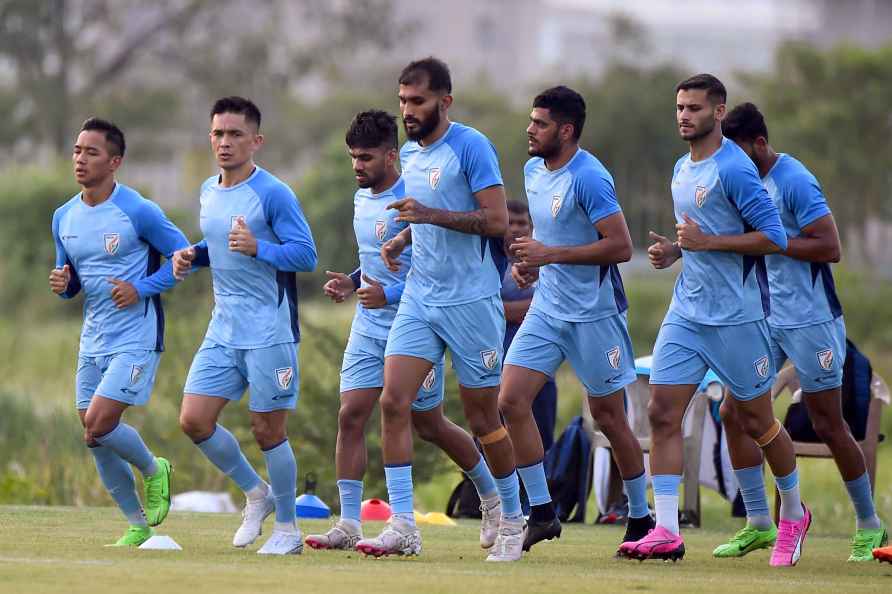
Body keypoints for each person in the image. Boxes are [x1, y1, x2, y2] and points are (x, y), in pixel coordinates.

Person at [619, 74, 808, 567]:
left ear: (718, 112)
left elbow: (774, 238)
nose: (684, 115)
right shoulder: (682, 168)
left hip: (737, 319)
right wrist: (677, 251)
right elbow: (706, 233)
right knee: (662, 413)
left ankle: (792, 515)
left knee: (759, 422)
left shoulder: (736, 168)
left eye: (695, 108)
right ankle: (664, 530)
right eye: (680, 107)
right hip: (686, 312)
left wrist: (707, 243)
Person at [305, 110, 499, 551]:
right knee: (351, 414)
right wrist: (353, 282)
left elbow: (429, 264)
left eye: (366, 157)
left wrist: (388, 297)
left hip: (415, 321)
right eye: (353, 157)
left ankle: (489, 496)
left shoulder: (415, 196)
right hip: (368, 326)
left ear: (392, 156)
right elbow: (377, 259)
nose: (357, 165)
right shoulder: (360, 198)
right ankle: (350, 523)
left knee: (429, 425)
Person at [354, 57, 518, 559]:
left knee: (483, 418)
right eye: (403, 100)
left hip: (471, 301)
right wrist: (405, 236)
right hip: (421, 298)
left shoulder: (472, 146)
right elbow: (429, 217)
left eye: (418, 101)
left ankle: (511, 515)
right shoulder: (409, 152)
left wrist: (427, 215)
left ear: (444, 102)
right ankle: (404, 525)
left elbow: (495, 222)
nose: (407, 110)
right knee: (393, 401)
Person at [715, 102, 886, 562]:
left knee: (829, 423)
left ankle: (870, 525)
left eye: (739, 154)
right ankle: (758, 523)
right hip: (765, 318)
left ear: (760, 144)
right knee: (732, 410)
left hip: (812, 321)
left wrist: (775, 240)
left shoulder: (793, 180)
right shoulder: (740, 181)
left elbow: (831, 247)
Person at [494, 86, 651, 561]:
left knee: (608, 418)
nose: (530, 129)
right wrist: (533, 264)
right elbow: (548, 234)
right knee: (511, 399)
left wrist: (551, 254)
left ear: (565, 130)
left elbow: (621, 246)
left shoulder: (590, 177)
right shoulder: (532, 171)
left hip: (595, 315)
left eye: (539, 123)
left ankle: (641, 517)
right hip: (547, 307)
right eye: (531, 121)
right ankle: (542, 511)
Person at [172, 97, 317, 555]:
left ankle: (289, 530)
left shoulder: (273, 193)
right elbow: (220, 244)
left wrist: (261, 248)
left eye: (235, 134)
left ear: (256, 141)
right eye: (218, 133)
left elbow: (306, 255)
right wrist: (192, 256)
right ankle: (257, 494)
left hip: (270, 329)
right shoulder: (207, 191)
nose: (225, 142)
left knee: (267, 430)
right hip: (223, 327)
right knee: (194, 420)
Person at [51, 117, 188, 546]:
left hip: (137, 335)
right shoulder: (63, 216)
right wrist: (64, 285)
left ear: (115, 162)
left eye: (91, 152)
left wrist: (142, 288)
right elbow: (72, 278)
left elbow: (186, 255)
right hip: (92, 337)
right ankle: (136, 524)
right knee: (92, 436)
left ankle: (154, 469)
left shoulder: (138, 210)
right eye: (77, 150)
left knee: (100, 421)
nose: (80, 159)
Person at [501, 199, 557, 454]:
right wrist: (537, 306)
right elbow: (489, 309)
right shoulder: (491, 259)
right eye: (509, 222)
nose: (515, 228)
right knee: (498, 434)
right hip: (498, 357)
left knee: (542, 435)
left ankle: (542, 491)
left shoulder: (545, 260)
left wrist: (514, 311)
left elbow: (559, 300)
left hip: (541, 363)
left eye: (521, 223)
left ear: (532, 227)